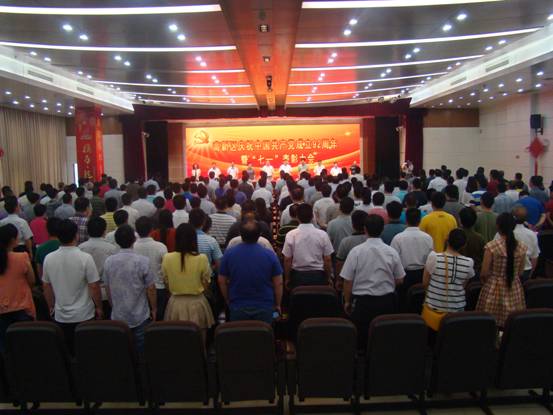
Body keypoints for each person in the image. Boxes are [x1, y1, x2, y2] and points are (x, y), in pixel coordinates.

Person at [341, 214, 405, 349]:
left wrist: (347, 301)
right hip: (386, 302)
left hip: (362, 303)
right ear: (382, 229)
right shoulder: (391, 251)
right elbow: (400, 279)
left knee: (361, 340)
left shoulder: (356, 252)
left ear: (365, 229)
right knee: (383, 339)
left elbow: (348, 280)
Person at [42, 220, 102, 354]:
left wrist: (51, 306)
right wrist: (99, 307)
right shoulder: (85, 258)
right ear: (76, 235)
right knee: (87, 351)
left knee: (68, 351)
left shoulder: (49, 258)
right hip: (84, 314)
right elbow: (94, 286)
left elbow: (46, 286)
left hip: (61, 314)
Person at [103, 225, 156, 353]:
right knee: (141, 350)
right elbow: (151, 288)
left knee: (122, 351)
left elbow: (107, 286)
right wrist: (154, 308)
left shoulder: (109, 261)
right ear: (134, 239)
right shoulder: (143, 261)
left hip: (118, 313)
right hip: (140, 314)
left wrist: (112, 305)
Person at [218, 220, 283, 323]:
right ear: (260, 234)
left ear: (240, 234)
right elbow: (278, 283)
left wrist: (227, 300)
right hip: (265, 305)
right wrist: (278, 304)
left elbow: (222, 281)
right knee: (264, 332)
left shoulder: (229, 254)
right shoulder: (270, 255)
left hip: (237, 305)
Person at [163, 224, 214, 339]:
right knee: (199, 341)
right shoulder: (202, 258)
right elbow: (206, 283)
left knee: (177, 341)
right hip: (197, 303)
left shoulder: (167, 258)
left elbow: (166, 282)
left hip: (175, 304)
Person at [476, 213, 528, 328]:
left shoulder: (491, 246)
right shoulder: (521, 247)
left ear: (498, 226)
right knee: (511, 322)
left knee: (489, 322)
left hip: (493, 286)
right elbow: (521, 272)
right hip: (513, 285)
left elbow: (484, 272)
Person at [422, 229, 475, 330]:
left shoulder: (434, 257)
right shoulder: (469, 262)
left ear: (447, 240)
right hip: (457, 312)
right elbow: (463, 285)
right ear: (464, 245)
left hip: (434, 308)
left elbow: (425, 283)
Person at [0, 224, 36, 353]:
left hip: (2, 309)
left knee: (5, 348)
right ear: (12, 240)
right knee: (26, 347)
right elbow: (32, 281)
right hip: (22, 305)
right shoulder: (22, 257)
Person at [282, 204, 333, 289]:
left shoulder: (291, 235)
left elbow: (287, 260)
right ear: (312, 216)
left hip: (298, 276)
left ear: (297, 217)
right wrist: (328, 277)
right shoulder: (322, 235)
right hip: (318, 276)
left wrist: (287, 278)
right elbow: (327, 259)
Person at [391, 208, 433, 292]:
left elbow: (393, 259)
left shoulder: (398, 238)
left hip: (404, 275)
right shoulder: (428, 238)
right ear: (420, 220)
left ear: (406, 220)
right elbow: (430, 258)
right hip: (422, 274)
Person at [497, 206, 539, 282]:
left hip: (505, 270)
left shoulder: (503, 232)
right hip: (526, 270)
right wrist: (530, 274)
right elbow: (535, 257)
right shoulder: (532, 234)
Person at [335, 210, 368, 281]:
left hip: (349, 277)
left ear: (352, 225)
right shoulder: (370, 240)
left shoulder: (346, 242)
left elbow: (340, 263)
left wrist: (339, 280)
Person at [458, 207, 485, 277]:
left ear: (460, 220)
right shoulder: (480, 238)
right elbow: (482, 257)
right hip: (475, 273)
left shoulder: (455, 235)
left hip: (458, 272)